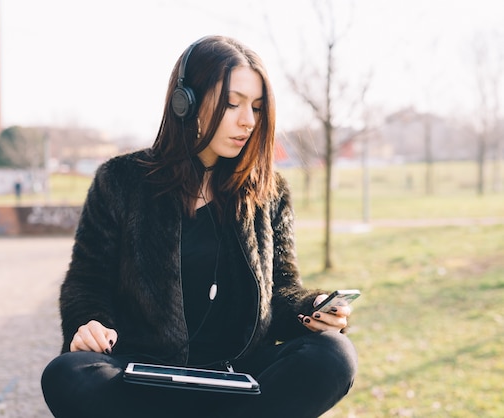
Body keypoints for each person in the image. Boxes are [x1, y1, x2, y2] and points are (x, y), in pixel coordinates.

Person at [41, 35, 357, 418]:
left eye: (256, 107)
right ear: (185, 101)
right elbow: (85, 283)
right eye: (231, 103)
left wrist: (314, 310)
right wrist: (88, 324)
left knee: (334, 354)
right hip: (146, 379)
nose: (248, 121)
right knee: (68, 374)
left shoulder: (268, 192)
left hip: (240, 380)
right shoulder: (120, 180)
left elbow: (282, 291)